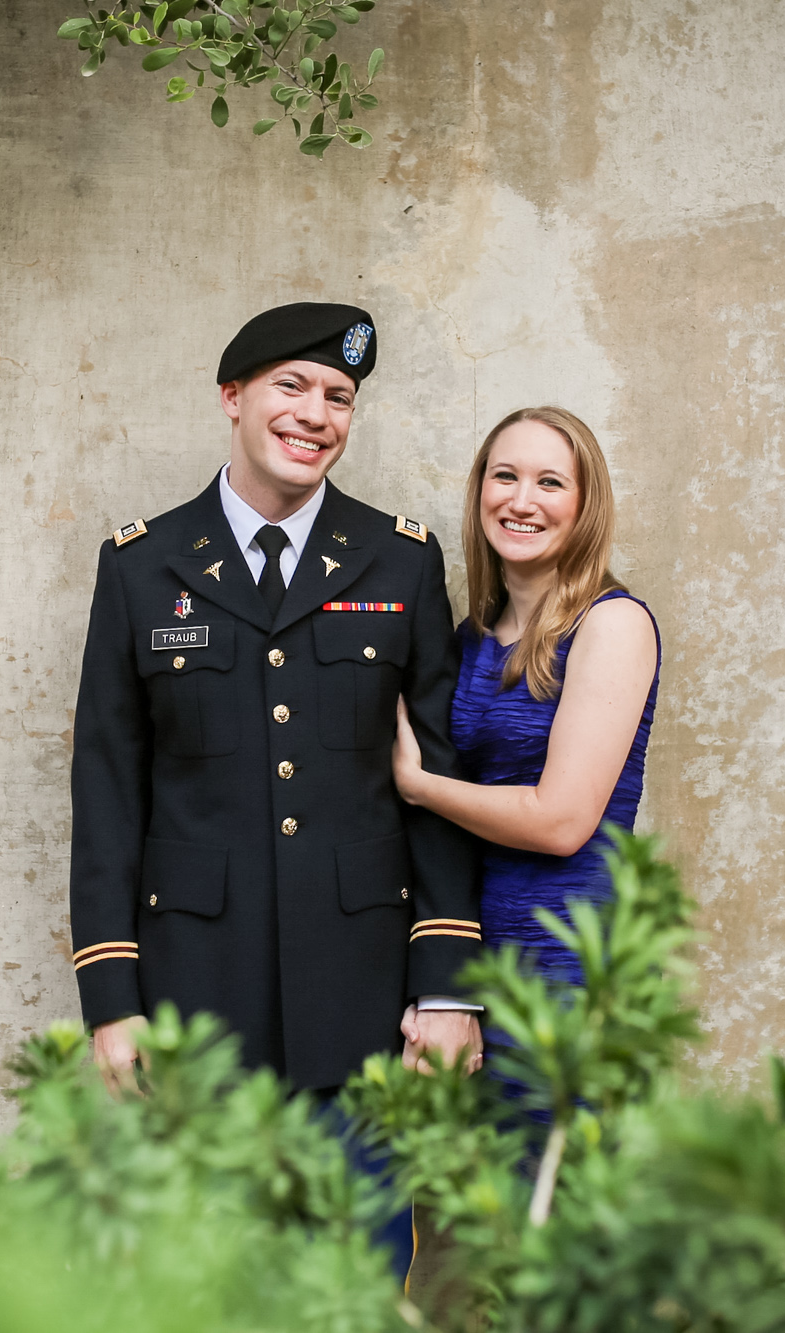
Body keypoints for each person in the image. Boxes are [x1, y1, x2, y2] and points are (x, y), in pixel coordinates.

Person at [68, 301, 486, 1098]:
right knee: (205, 1226)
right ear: (233, 396)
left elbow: (439, 783)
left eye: (339, 397)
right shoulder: (141, 567)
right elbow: (108, 792)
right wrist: (112, 1001)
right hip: (192, 996)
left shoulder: (400, 562)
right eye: (292, 385)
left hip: (367, 995)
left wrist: (445, 987)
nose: (315, 415)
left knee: (362, 1223)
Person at [390, 406, 660, 994]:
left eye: (550, 482)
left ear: (586, 505)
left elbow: (561, 822)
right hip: (484, 954)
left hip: (577, 956)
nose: (521, 501)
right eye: (504, 476)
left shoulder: (611, 623)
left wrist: (419, 786)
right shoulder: (470, 639)